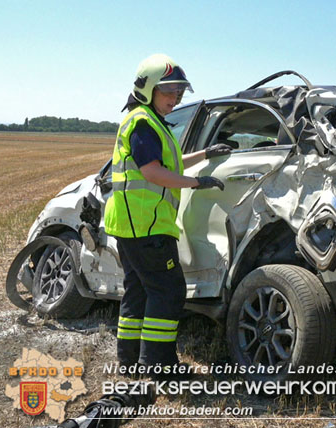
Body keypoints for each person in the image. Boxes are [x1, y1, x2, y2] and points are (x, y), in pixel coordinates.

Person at [104, 54, 231, 371]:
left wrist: (205, 154)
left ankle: (130, 360)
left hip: (131, 225)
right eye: (169, 91)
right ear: (147, 89)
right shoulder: (144, 124)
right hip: (146, 226)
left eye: (179, 92)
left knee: (138, 291)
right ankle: (160, 367)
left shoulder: (147, 121)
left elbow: (166, 165)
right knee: (168, 290)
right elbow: (152, 173)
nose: (175, 98)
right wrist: (196, 182)